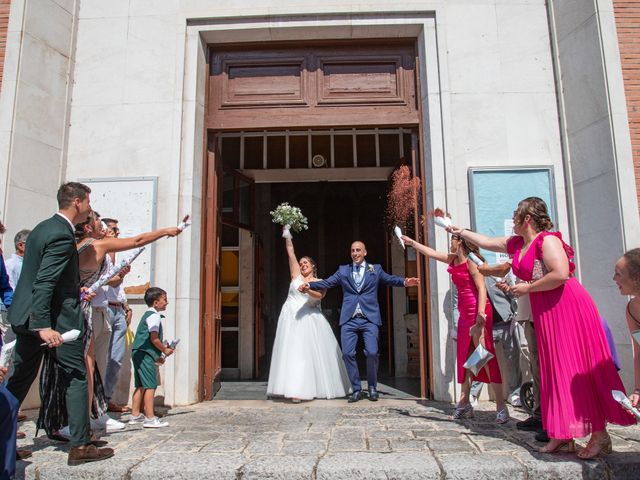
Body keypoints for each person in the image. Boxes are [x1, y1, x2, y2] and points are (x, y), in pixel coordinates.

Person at [448, 196, 635, 458]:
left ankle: (600, 435)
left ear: (527, 219)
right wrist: (460, 231)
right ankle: (563, 434)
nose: (512, 219)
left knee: (575, 368)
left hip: (567, 308)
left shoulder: (548, 240)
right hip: (545, 311)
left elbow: (559, 274)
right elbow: (489, 242)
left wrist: (527, 288)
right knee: (553, 372)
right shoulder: (518, 244)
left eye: (516, 215)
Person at [6, 182, 114, 465]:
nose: (90, 208)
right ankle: (80, 446)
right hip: (53, 320)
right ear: (77, 202)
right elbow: (45, 282)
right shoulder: (60, 235)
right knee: (76, 375)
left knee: (16, 382)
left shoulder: (42, 228)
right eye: (88, 203)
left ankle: (4, 446)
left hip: (27, 317)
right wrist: (44, 325)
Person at [402, 234, 508, 423]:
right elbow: (432, 253)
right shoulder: (453, 259)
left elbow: (482, 288)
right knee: (466, 359)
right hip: (464, 315)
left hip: (478, 312)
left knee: (485, 356)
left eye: (451, 239)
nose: (449, 242)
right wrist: (412, 243)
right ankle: (464, 402)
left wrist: (481, 314)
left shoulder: (472, 262)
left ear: (459, 242)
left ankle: (501, 406)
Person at [300, 241, 419, 402]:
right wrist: (310, 284)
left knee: (371, 353)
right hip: (349, 319)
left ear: (365, 253)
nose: (355, 253)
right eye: (352, 251)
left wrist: (405, 282)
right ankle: (356, 388)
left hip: (369, 318)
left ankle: (372, 387)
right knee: (348, 354)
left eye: (358, 250)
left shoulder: (375, 269)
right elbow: (327, 282)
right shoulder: (343, 270)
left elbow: (389, 279)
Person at [267, 227, 351, 402]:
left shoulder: (320, 282)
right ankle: (289, 387)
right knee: (290, 353)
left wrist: (308, 290)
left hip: (309, 319)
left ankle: (302, 389)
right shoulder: (295, 275)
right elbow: (290, 252)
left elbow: (319, 296)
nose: (303, 264)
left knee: (303, 354)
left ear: (313, 266)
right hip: (290, 318)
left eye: (306, 263)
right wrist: (287, 233)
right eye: (302, 262)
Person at [469, 275, 522, 409]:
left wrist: (514, 312)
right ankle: (473, 392)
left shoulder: (494, 276)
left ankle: (515, 393)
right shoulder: (469, 280)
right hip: (484, 325)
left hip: (505, 322)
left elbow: (512, 293)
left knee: (512, 357)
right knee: (479, 357)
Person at [128, 287, 174, 428]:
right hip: (145, 354)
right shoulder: (154, 316)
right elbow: (153, 338)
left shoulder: (148, 315)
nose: (167, 302)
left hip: (139, 352)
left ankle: (135, 414)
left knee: (140, 385)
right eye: (164, 299)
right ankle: (150, 417)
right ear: (155, 302)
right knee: (150, 385)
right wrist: (165, 349)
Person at [102, 218, 133, 413]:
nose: (117, 232)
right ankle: (96, 402)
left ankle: (106, 398)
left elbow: (118, 287)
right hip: (103, 308)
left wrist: (126, 305)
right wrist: (119, 275)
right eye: (114, 229)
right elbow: (105, 283)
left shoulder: (117, 255)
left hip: (118, 309)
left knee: (116, 358)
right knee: (100, 357)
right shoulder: (99, 254)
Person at [613, 248, 640, 408]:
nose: (614, 278)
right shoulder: (631, 309)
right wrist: (638, 389)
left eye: (618, 274)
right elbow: (638, 352)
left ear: (636, 278)